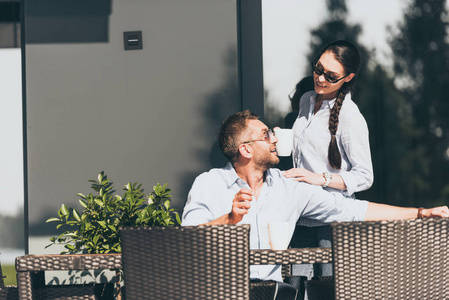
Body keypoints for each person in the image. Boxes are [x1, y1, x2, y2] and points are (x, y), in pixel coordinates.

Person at [182, 110, 449, 300]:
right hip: (221, 291)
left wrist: (419, 213)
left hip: (274, 294)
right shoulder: (209, 183)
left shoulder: (290, 187)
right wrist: (228, 220)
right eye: (266, 135)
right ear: (246, 149)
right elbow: (185, 240)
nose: (275, 139)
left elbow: (354, 211)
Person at [283, 40, 372, 277]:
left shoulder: (350, 116)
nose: (321, 78)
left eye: (331, 76)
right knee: (296, 286)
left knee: (328, 289)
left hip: (333, 220)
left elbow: (364, 176)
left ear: (349, 77)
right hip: (301, 214)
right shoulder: (306, 101)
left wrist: (319, 178)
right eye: (318, 69)